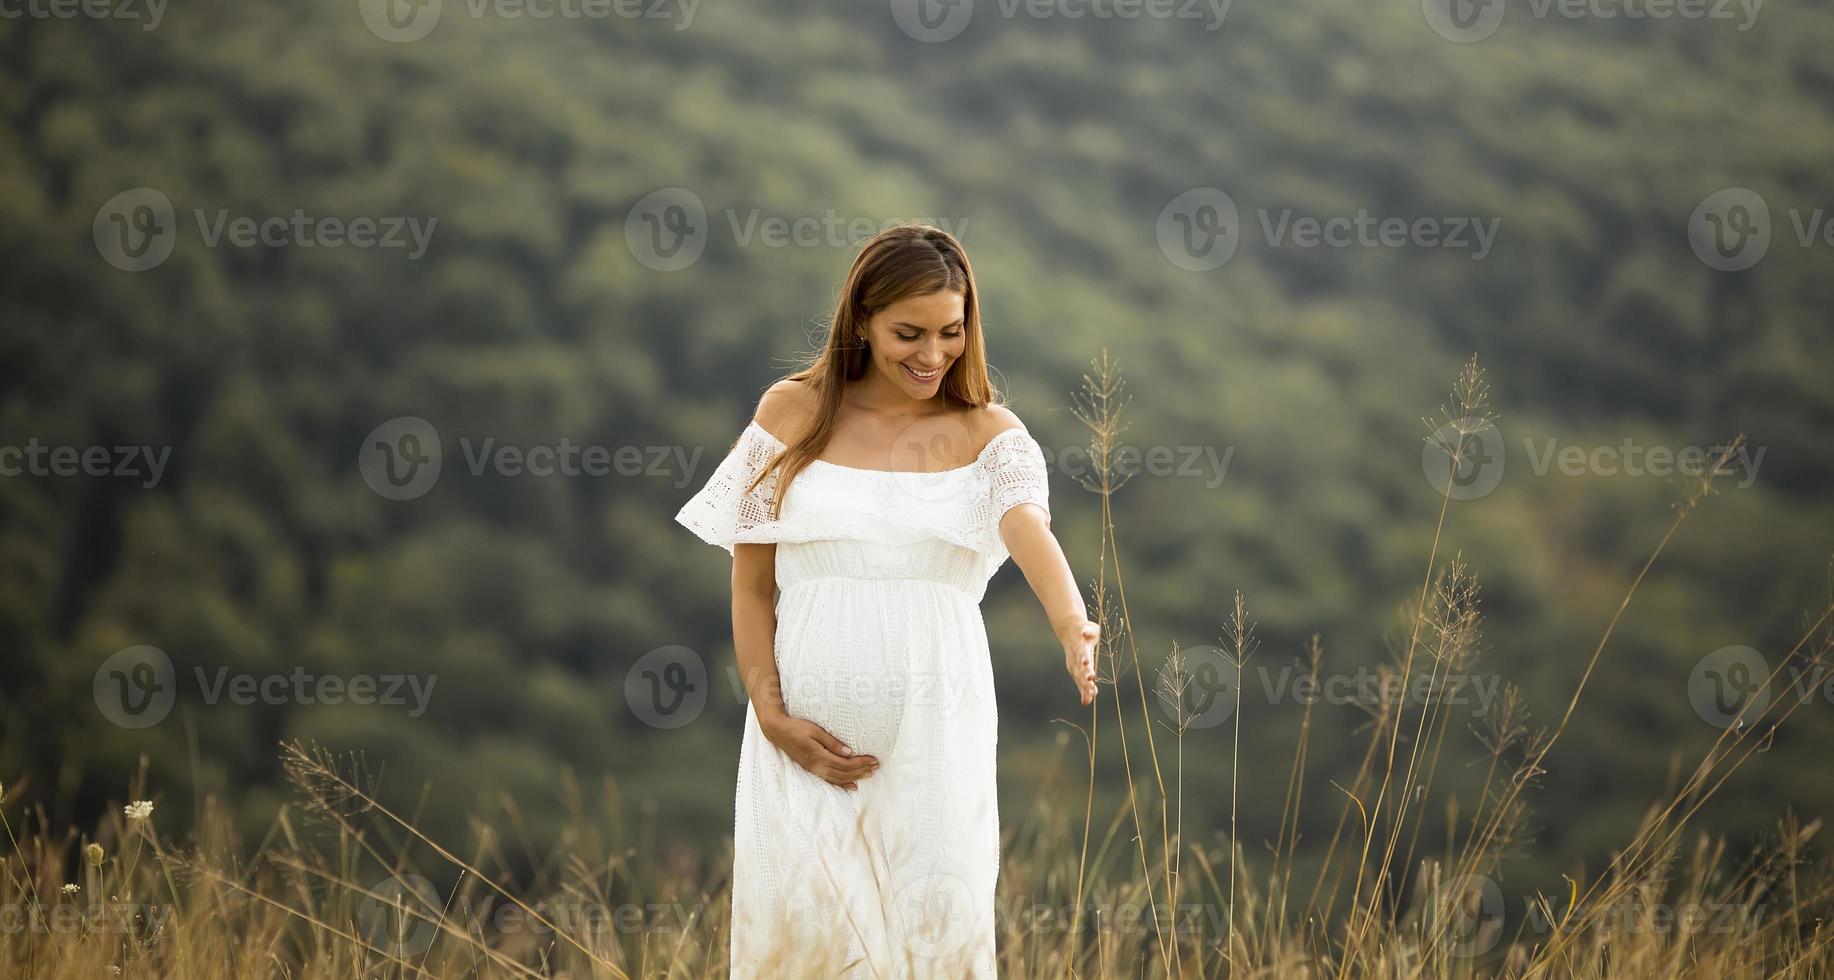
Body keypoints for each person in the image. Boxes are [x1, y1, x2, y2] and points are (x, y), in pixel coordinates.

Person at [674, 223, 1101, 977]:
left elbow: (1026, 526)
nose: (932, 355)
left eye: (951, 333)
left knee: (933, 937)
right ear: (863, 320)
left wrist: (1071, 622)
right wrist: (769, 712)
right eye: (908, 333)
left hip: (939, 728)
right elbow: (751, 585)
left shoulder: (987, 432)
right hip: (803, 741)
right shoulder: (789, 414)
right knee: (802, 942)